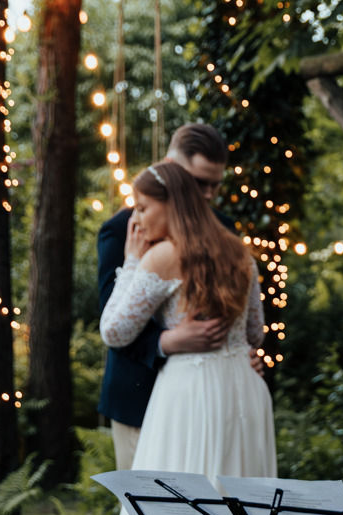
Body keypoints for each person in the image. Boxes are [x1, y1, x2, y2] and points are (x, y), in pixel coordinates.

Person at [75, 160, 307, 515]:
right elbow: (254, 331)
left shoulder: (159, 255)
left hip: (189, 399)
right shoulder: (238, 250)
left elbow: (113, 330)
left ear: (170, 206)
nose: (136, 217)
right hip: (244, 398)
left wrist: (130, 263)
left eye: (144, 206)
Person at [96, 123, 250, 471]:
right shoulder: (124, 228)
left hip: (211, 401)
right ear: (169, 167)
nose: (209, 194)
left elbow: (241, 313)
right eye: (199, 182)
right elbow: (110, 319)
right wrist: (169, 340)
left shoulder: (225, 230)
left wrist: (246, 352)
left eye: (215, 183)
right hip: (140, 396)